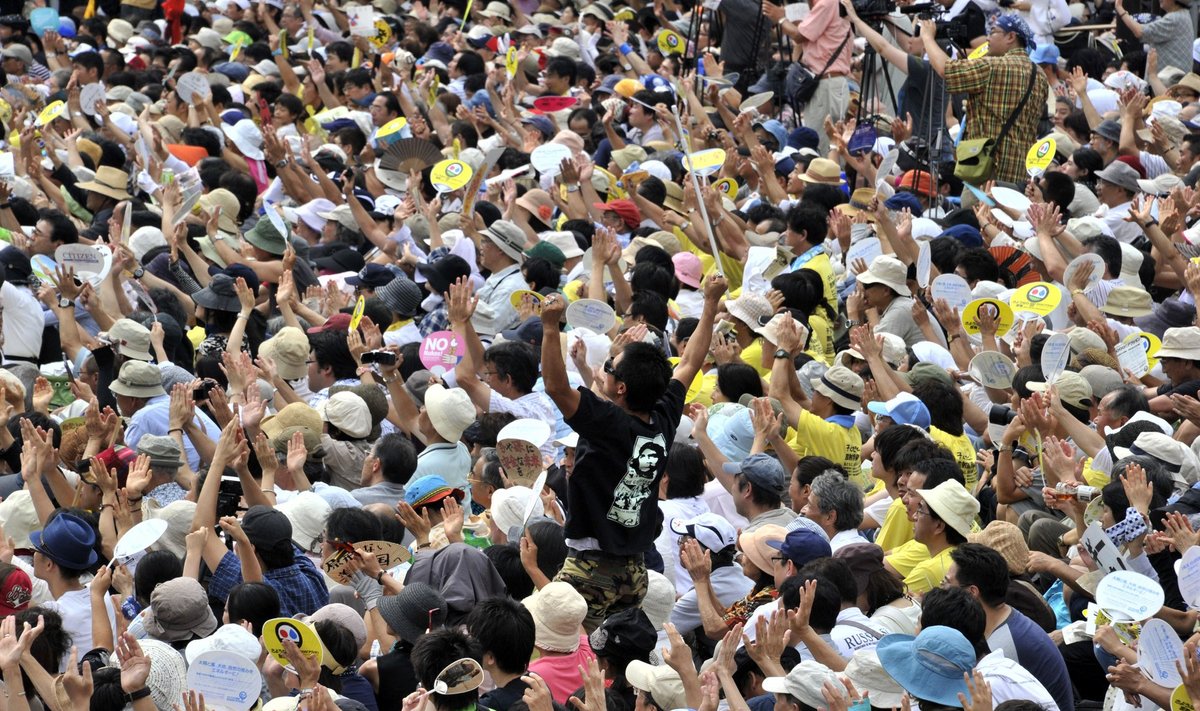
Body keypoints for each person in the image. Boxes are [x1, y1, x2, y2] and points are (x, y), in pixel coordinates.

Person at [539, 271, 725, 629]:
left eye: (609, 368)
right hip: (636, 570)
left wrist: (549, 328)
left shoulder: (608, 422)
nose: (604, 369)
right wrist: (711, 302)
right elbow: (690, 362)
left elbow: (555, 387)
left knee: (564, 650)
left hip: (591, 569)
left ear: (621, 388)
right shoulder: (663, 414)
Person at [922, 13, 1048, 186]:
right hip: (1020, 174)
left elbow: (946, 69)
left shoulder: (992, 66)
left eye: (993, 32)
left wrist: (927, 37)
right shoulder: (1039, 75)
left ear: (1011, 37)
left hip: (986, 172)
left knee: (978, 213)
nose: (987, 38)